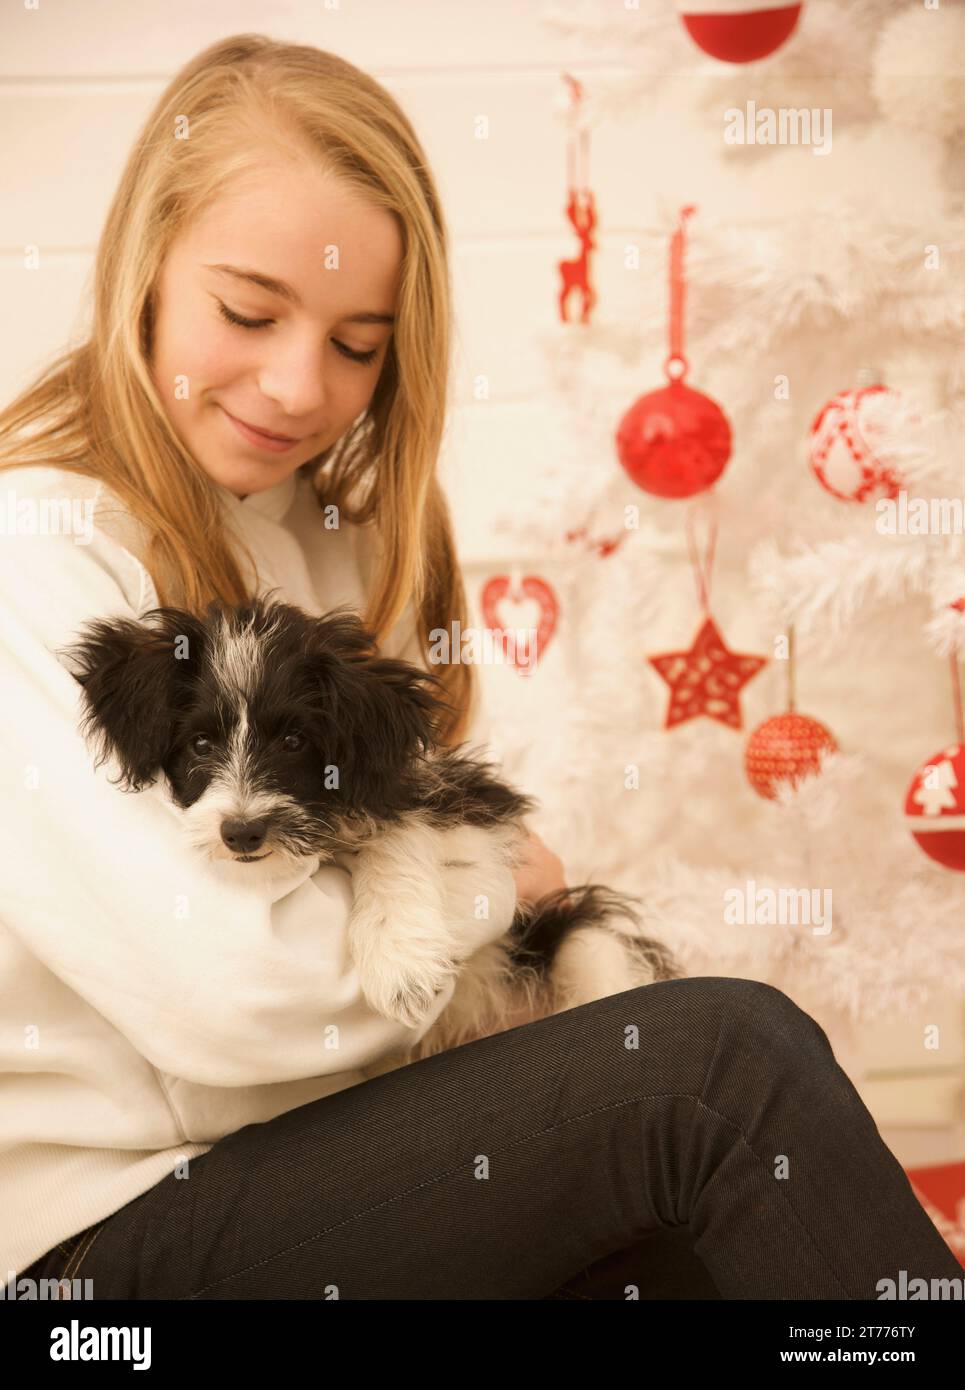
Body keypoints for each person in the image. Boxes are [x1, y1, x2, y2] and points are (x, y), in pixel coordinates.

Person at [0, 34, 959, 1302]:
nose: (298, 384)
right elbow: (236, 999)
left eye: (358, 342)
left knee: (686, 1242)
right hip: (105, 1237)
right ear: (144, 268)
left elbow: (386, 859)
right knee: (715, 1065)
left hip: (302, 1147)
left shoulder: (315, 544)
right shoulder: (40, 556)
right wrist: (499, 885)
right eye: (247, 311)